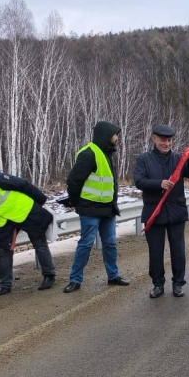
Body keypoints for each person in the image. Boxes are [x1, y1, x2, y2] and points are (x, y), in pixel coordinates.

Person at [134, 124, 189, 298]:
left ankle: (178, 283)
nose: (166, 143)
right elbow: (139, 181)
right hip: (153, 212)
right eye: (163, 140)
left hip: (176, 211)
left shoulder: (180, 158)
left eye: (169, 140)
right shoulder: (143, 159)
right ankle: (158, 284)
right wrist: (159, 183)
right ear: (154, 139)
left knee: (178, 250)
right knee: (155, 251)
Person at [62, 120, 130, 293]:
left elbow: (109, 184)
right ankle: (75, 280)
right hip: (90, 209)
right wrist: (76, 202)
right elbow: (73, 181)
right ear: (106, 135)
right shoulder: (89, 153)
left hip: (107, 208)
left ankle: (113, 276)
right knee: (86, 244)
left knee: (110, 244)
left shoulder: (106, 153)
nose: (117, 138)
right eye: (115, 135)